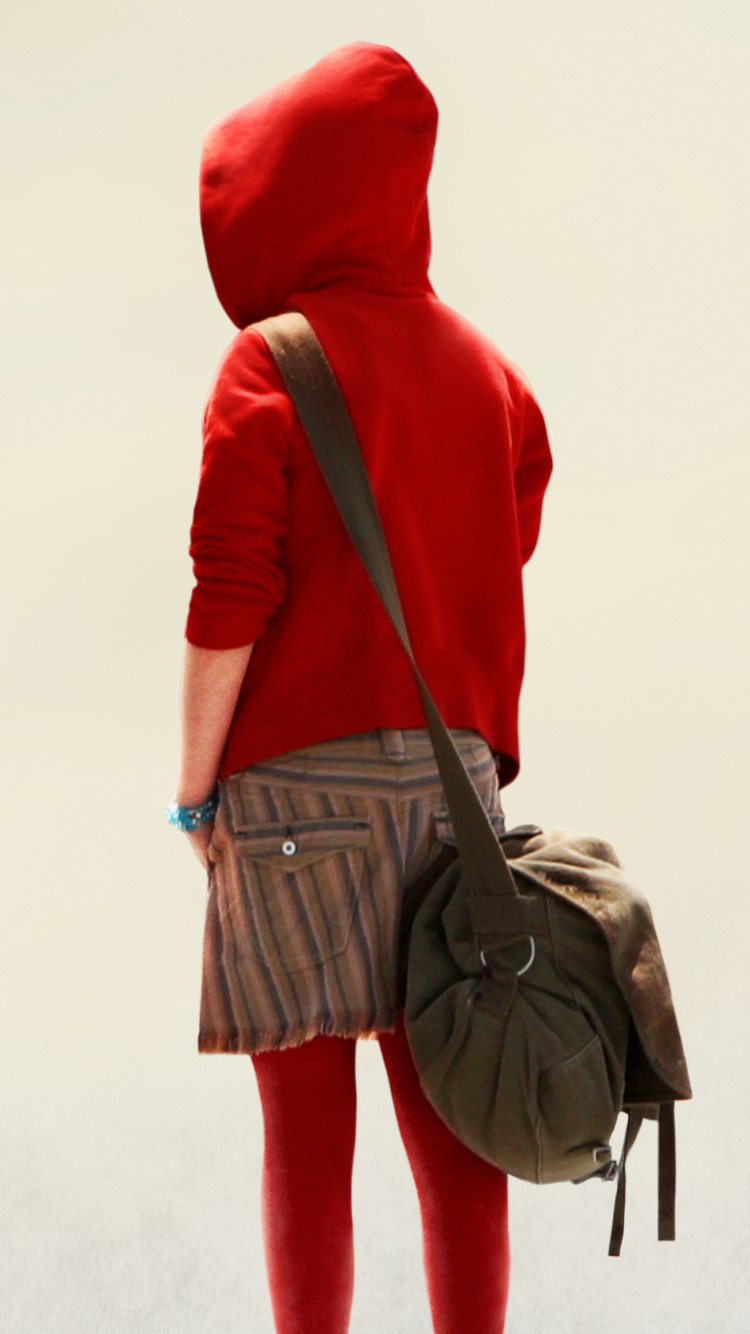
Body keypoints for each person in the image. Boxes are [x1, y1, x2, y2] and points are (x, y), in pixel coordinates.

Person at [169, 41, 552, 1334]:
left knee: (305, 1137)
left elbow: (230, 597)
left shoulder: (268, 361)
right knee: (460, 1115)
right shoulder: (491, 376)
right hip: (454, 796)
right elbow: (499, 546)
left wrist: (192, 794)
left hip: (293, 799)